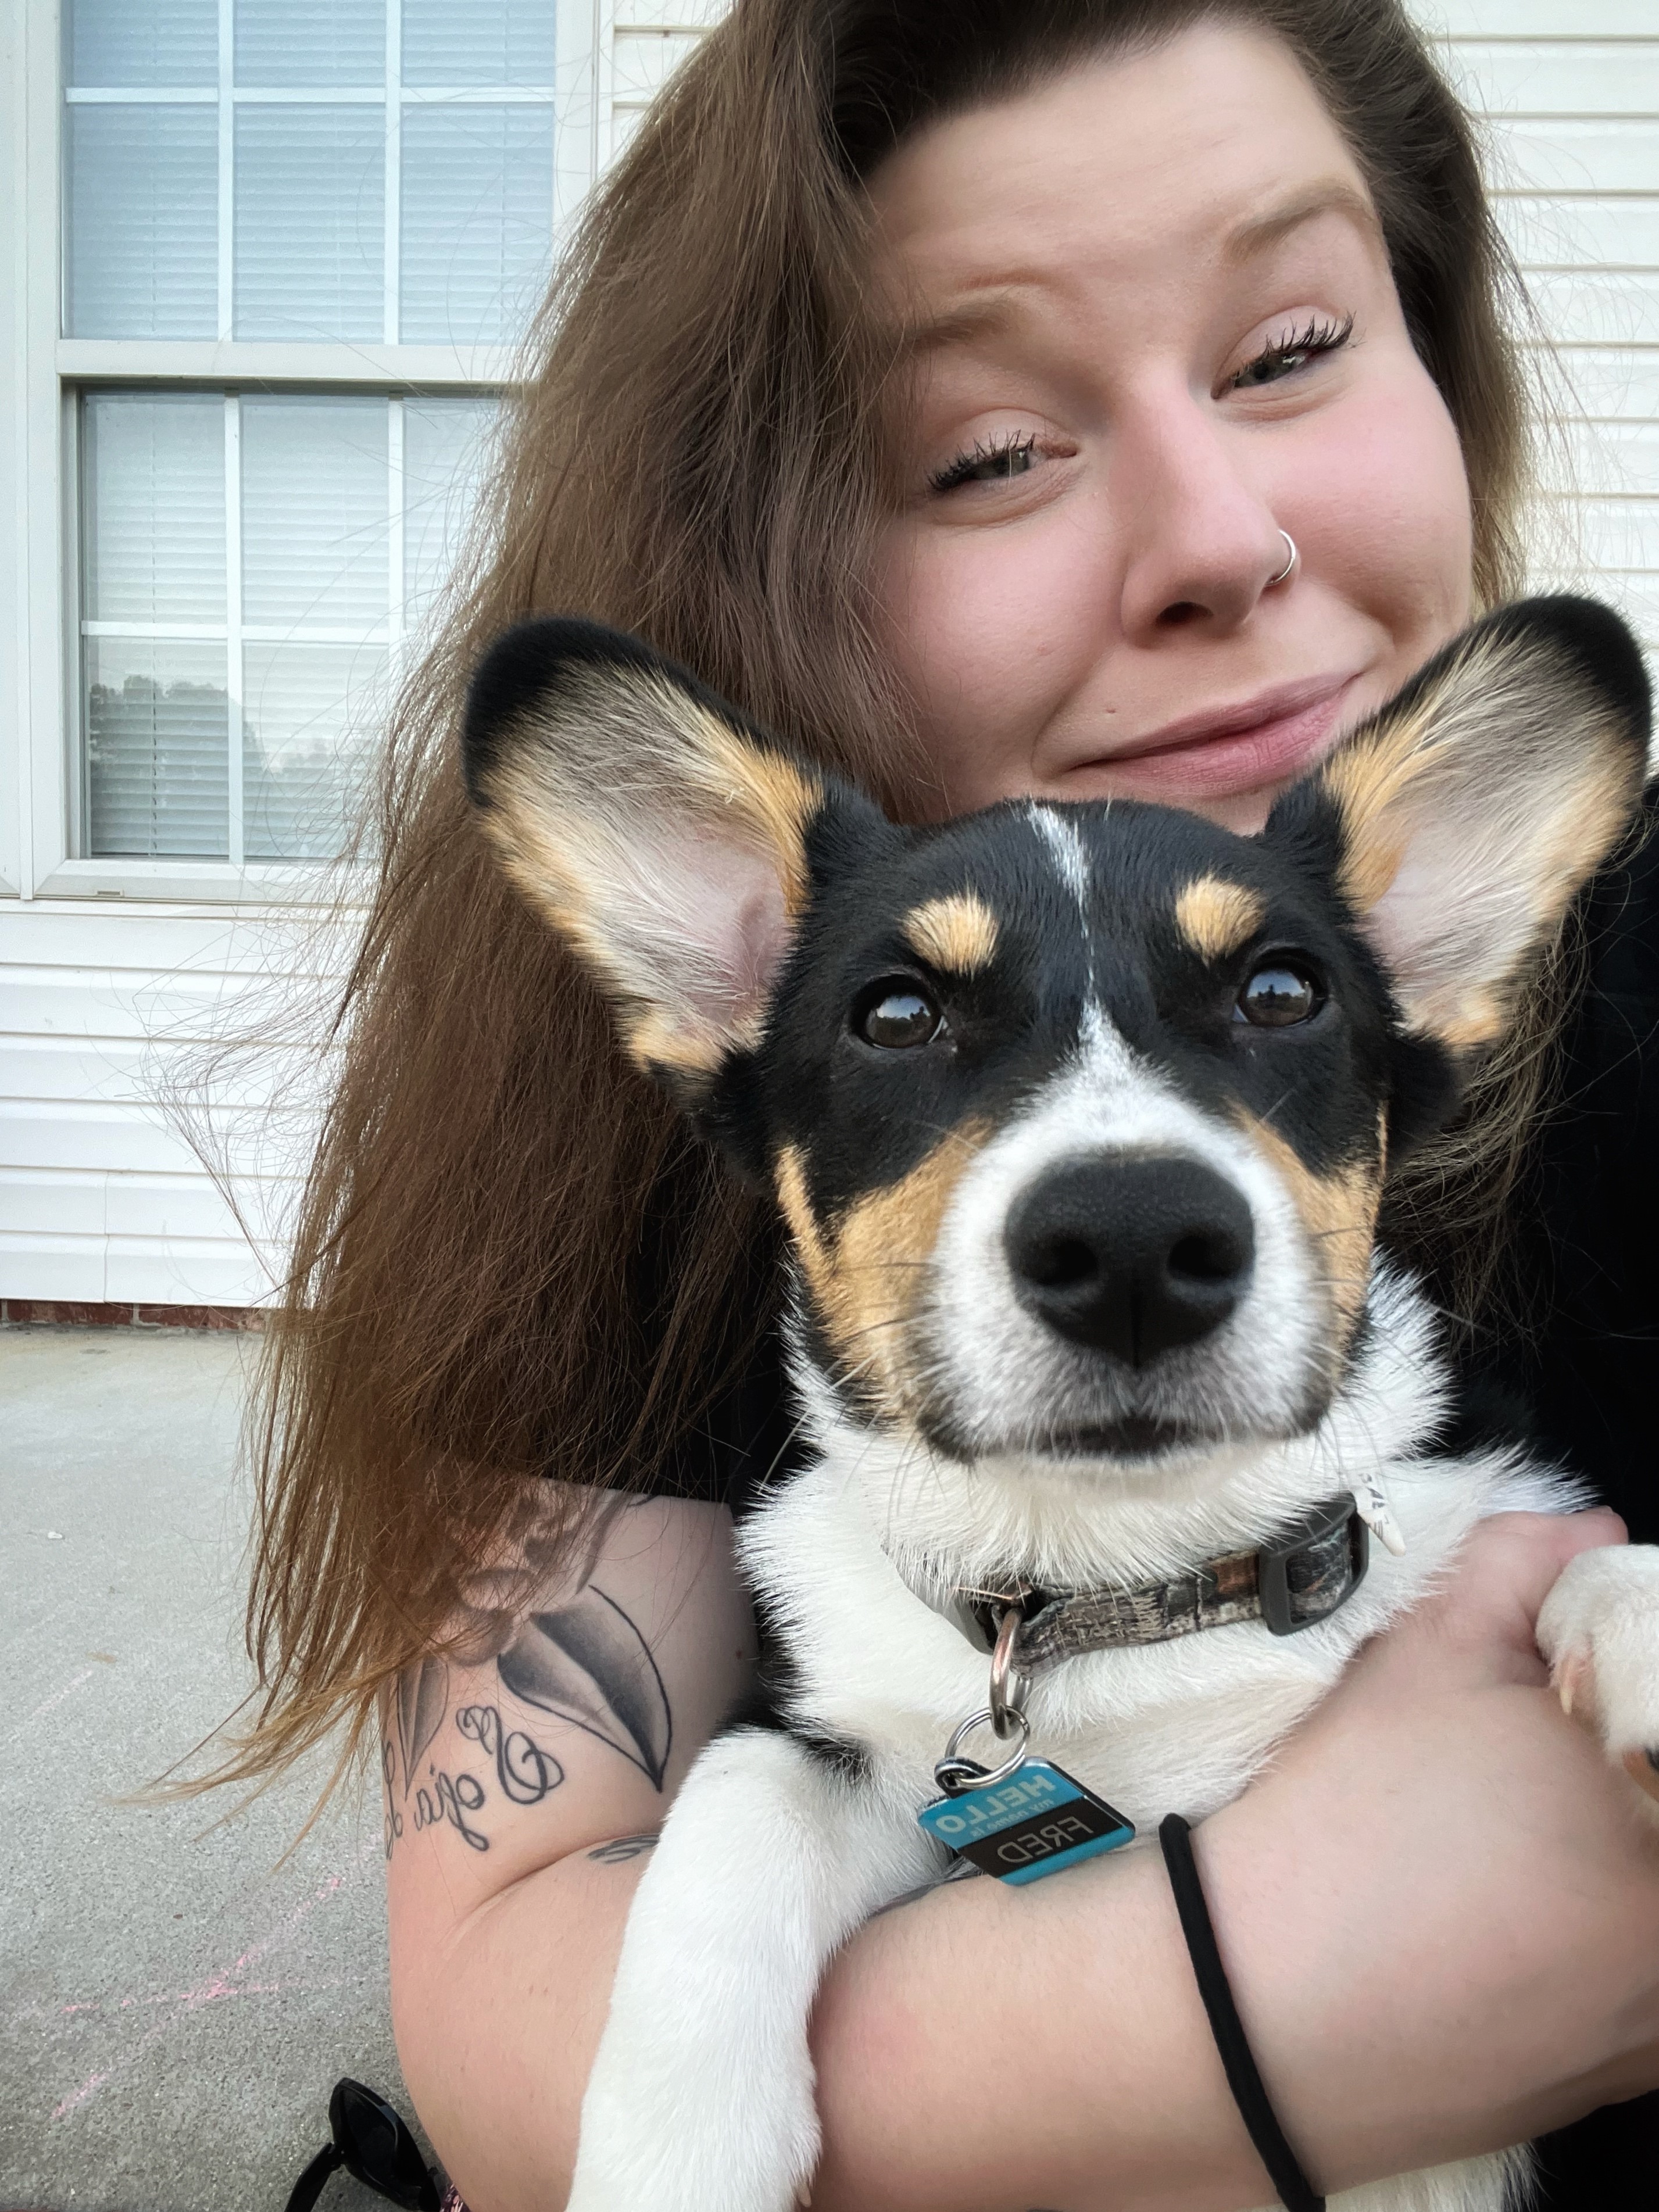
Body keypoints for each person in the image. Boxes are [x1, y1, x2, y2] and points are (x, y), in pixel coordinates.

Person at [230, 4, 1659, 2206]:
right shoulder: (663, 1249)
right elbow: (515, 1976)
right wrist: (1270, 1984)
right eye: (988, 451)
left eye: (1290, 347)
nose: (1221, 539)